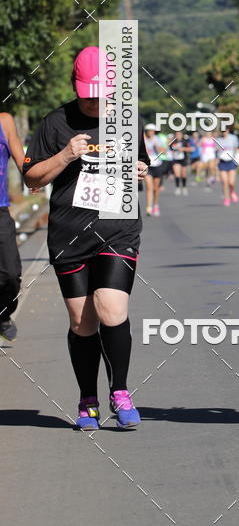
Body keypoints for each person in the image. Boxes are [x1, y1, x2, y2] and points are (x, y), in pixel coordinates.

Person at [23, 46, 149, 430]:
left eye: (101, 94)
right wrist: (64, 156)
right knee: (82, 321)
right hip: (69, 234)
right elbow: (31, 179)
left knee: (111, 307)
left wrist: (139, 168)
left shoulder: (126, 120)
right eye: (88, 94)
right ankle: (87, 399)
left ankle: (121, 391)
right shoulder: (55, 123)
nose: (95, 102)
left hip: (117, 229)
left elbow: (138, 162)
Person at [0, 112, 26, 342]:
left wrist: (33, 176)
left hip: (0, 211)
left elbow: (21, 160)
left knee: (10, 275)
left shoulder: (4, 121)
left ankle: (3, 313)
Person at [143, 123, 165, 216]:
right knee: (149, 187)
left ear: (154, 132)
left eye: (151, 131)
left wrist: (158, 147)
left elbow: (164, 152)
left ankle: (155, 205)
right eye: (148, 131)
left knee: (156, 189)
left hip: (157, 165)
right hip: (148, 166)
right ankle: (149, 207)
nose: (149, 132)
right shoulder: (143, 140)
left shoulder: (158, 140)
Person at [216, 124, 239, 206]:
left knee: (231, 182)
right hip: (222, 162)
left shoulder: (233, 138)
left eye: (225, 130)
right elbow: (216, 152)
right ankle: (226, 198)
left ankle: (232, 191)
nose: (224, 132)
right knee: (224, 182)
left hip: (231, 161)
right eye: (222, 131)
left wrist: (235, 157)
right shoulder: (218, 140)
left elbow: (236, 148)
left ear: (228, 130)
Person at [171, 129, 192, 195]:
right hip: (175, 159)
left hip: (183, 159)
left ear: (182, 135)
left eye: (179, 134)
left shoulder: (185, 141)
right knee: (177, 174)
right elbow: (168, 149)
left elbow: (191, 149)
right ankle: (177, 188)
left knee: (183, 174)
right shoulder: (173, 141)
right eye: (177, 134)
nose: (178, 136)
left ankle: (184, 187)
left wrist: (183, 149)